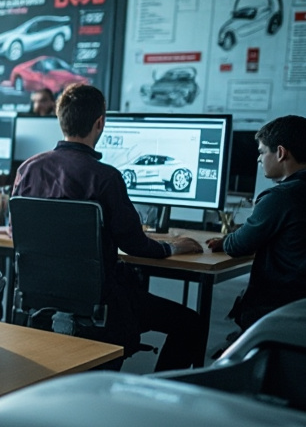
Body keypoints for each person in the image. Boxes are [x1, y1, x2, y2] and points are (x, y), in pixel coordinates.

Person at [12, 84, 206, 371]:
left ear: (60, 119)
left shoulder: (27, 169)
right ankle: (157, 392)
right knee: (191, 323)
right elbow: (135, 245)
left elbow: (17, 231)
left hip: (41, 301)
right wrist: (172, 246)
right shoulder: (105, 178)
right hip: (102, 306)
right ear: (100, 123)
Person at [205, 115, 306, 329]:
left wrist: (225, 240)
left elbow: (237, 246)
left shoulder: (281, 197)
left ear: (280, 153)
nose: (258, 159)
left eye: (262, 152)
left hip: (277, 314)